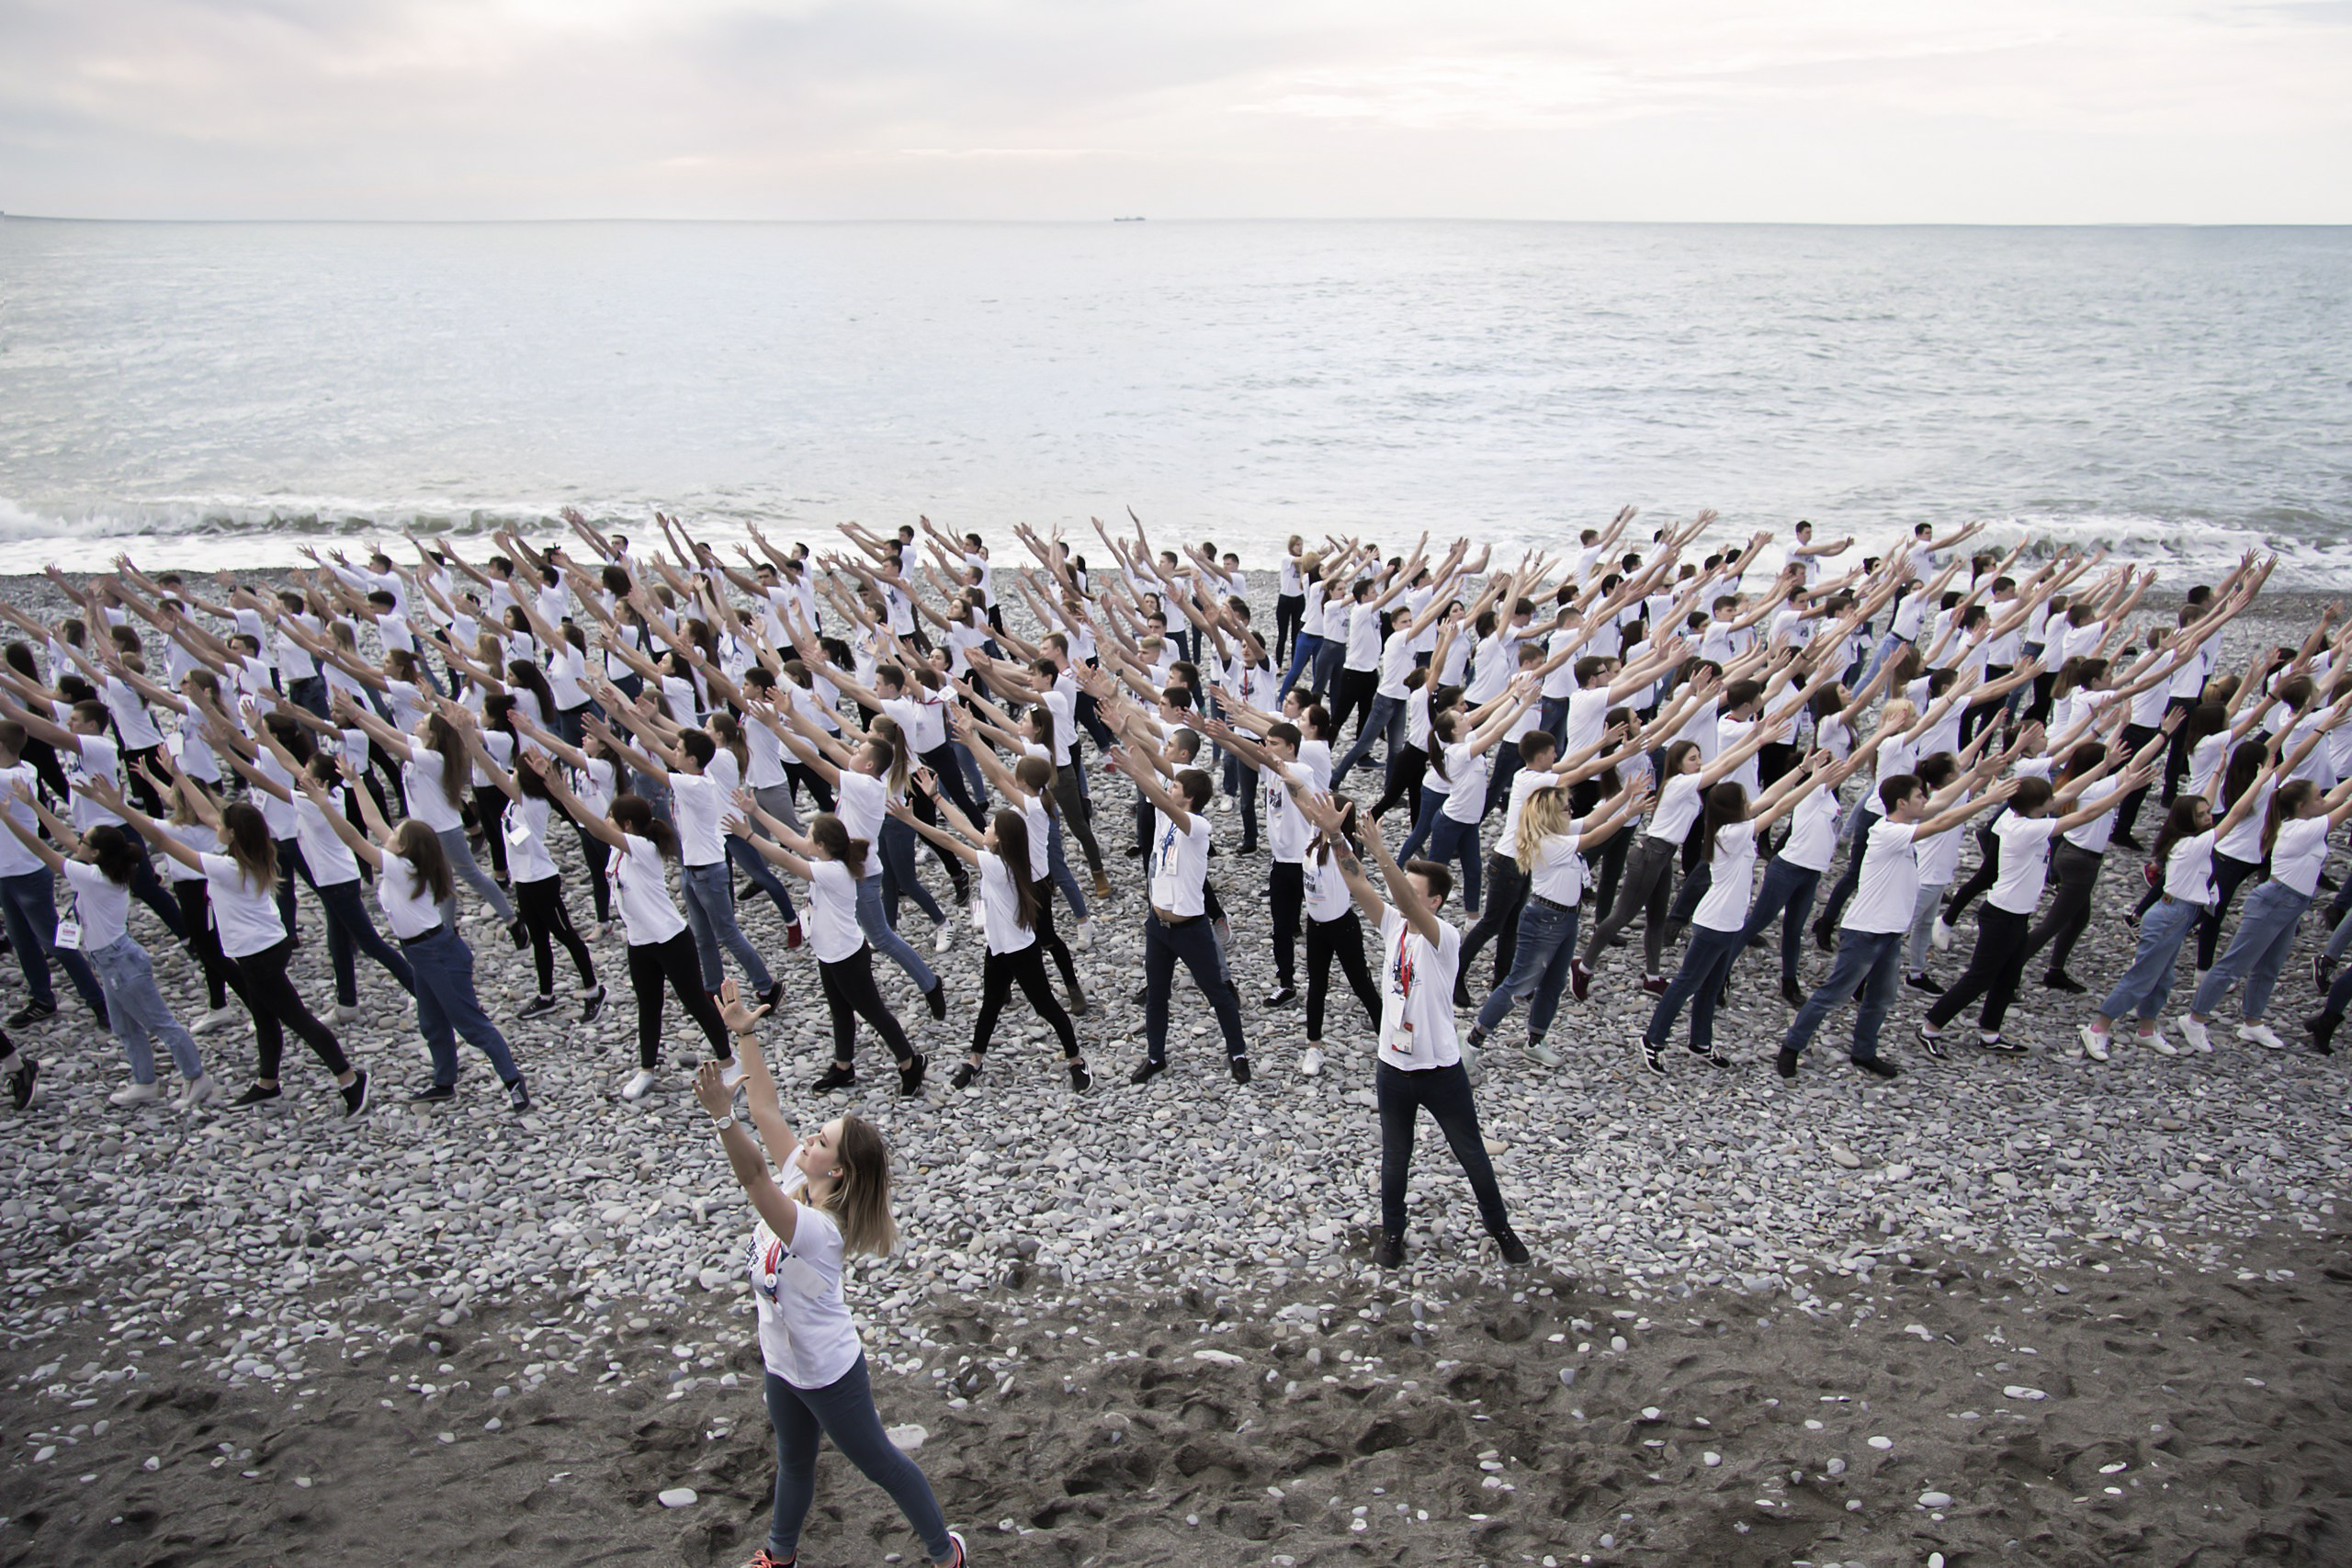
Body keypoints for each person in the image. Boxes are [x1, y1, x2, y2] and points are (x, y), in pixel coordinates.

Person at [689, 993, 966, 1568]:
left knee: (882, 1464)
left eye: (820, 1141)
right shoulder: (802, 1177)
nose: (808, 1140)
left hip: (827, 1371)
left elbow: (753, 1177)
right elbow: (766, 1110)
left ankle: (946, 1555)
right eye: (815, 1133)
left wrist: (721, 1117)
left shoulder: (818, 1228)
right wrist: (745, 1034)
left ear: (836, 1169)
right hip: (781, 1360)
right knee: (793, 1461)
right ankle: (779, 1556)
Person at [1295, 789, 1530, 1270]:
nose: (1404, 895)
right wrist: (1338, 837)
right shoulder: (1395, 927)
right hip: (1392, 1067)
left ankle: (1501, 1230)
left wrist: (1382, 853)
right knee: (1395, 1158)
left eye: (1414, 890)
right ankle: (1392, 1235)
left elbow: (1400, 895)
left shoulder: (1445, 938)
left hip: (1440, 1071)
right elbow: (1358, 884)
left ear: (1435, 901)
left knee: (1471, 1154)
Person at [84, 776, 369, 1117]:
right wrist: (180, 777)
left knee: (298, 1019)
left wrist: (120, 808)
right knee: (264, 1016)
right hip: (264, 947)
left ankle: (350, 1079)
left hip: (258, 954)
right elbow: (206, 811)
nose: (214, 824)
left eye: (221, 824)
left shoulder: (224, 867)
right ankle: (268, 1083)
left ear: (232, 834)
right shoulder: (254, 854)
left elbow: (160, 838)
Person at [300, 773, 533, 1111]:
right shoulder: (406, 860)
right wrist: (356, 782)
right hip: (422, 952)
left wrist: (324, 805)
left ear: (405, 847)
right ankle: (444, 1081)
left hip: (437, 952)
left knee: (471, 1025)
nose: (389, 835)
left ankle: (513, 1081)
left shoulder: (400, 866)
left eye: (396, 835)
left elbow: (353, 837)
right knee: (431, 1021)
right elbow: (373, 821)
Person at [1776, 764, 2018, 1081]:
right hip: (1865, 933)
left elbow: (1940, 805)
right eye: (1919, 797)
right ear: (1902, 803)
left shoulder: (1902, 826)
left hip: (1889, 933)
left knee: (1880, 999)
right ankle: (1791, 1047)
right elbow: (1942, 819)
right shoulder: (1888, 832)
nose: (1924, 801)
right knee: (1832, 995)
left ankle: (1864, 1052)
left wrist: (1974, 776)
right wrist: (1988, 801)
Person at [0, 784, 214, 1109]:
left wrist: (7, 818)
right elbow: (63, 837)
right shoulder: (101, 868)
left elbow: (41, 849)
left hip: (120, 963)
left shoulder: (93, 878)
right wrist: (32, 804)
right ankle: (145, 1082)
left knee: (161, 1024)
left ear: (95, 853)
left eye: (83, 840)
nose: (77, 841)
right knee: (125, 1027)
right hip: (110, 960)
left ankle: (197, 1078)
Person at [533, 764, 735, 1101]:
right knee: (648, 1004)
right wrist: (559, 795)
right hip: (640, 943)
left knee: (695, 1001)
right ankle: (646, 1070)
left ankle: (729, 1060)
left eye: (612, 818)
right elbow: (589, 823)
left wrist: (563, 793)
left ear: (626, 826)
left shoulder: (641, 848)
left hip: (671, 939)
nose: (606, 821)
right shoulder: (617, 850)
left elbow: (597, 826)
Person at [1635, 755, 1830, 1074]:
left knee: (1711, 987)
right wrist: (1813, 782)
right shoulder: (1732, 834)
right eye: (1743, 800)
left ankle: (1700, 1042)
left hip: (1729, 924)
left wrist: (1802, 771)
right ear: (1733, 807)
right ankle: (1653, 1039)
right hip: (1714, 923)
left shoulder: (1734, 827)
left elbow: (1769, 799)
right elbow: (1778, 808)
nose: (1749, 802)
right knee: (1685, 984)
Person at [895, 775, 1089, 1092]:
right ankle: (974, 1061)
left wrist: (911, 820)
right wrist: (937, 798)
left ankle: (1076, 1060)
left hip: (1021, 952)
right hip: (998, 948)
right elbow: (964, 830)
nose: (984, 829)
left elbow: (951, 841)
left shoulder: (998, 866)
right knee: (990, 1004)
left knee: (1046, 1007)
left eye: (990, 827)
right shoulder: (1004, 857)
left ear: (999, 840)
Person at [730, 797, 928, 1098]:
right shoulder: (827, 862)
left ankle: (910, 1062)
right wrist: (756, 811)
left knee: (874, 1012)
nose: (804, 839)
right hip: (831, 954)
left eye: (810, 837)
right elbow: (789, 839)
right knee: (840, 1012)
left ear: (821, 846)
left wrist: (749, 835)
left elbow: (785, 859)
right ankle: (843, 1067)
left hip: (847, 958)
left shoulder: (832, 871)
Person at [1464, 773, 1647, 1064]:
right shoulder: (1547, 842)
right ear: (1550, 815)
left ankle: (1535, 1040)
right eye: (1566, 808)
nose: (1571, 812)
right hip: (1545, 920)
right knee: (1519, 983)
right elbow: (1595, 836)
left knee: (1554, 983)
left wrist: (1625, 794)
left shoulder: (1560, 833)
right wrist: (1628, 812)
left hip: (1566, 919)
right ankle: (1474, 1040)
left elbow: (1593, 819)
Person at [2181, 768, 2352, 1052]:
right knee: (2233, 964)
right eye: (2316, 798)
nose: (2323, 800)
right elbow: (2345, 807)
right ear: (2301, 806)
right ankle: (2195, 1018)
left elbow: (2336, 798)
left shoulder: (2307, 820)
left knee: (2269, 967)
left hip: (2292, 904)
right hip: (2276, 901)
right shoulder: (2301, 829)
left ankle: (2252, 1022)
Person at [1111, 744, 1252, 1085]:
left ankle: (1238, 1054)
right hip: (1158, 926)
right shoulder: (1164, 814)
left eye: (1175, 786)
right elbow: (1155, 776)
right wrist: (1126, 732)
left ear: (1188, 798)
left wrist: (1132, 770)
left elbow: (1157, 794)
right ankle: (1155, 1056)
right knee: (1157, 994)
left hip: (1190, 929)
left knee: (1217, 993)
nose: (1169, 787)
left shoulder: (1198, 827)